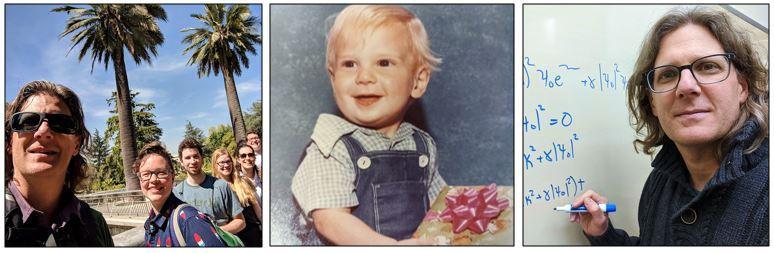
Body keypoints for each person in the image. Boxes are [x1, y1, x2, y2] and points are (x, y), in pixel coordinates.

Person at [571, 7, 768, 245]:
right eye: (667, 74)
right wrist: (604, 235)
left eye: (707, 67)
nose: (686, 86)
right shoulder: (659, 183)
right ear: (652, 102)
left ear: (742, 88)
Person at [291, 5, 446, 245]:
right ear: (333, 79)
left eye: (383, 62)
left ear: (418, 80)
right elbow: (330, 220)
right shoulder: (331, 148)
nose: (364, 76)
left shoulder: (423, 145)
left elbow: (441, 207)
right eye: (350, 64)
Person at [5, 80, 113, 246]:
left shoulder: (95, 224)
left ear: (76, 144)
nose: (43, 132)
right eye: (27, 121)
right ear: (9, 142)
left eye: (61, 123)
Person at [136, 141, 224, 247]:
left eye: (161, 173)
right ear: (140, 179)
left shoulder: (190, 221)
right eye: (146, 174)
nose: (154, 180)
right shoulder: (151, 223)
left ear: (172, 176)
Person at [173, 138, 245, 235]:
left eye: (196, 156)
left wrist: (213, 233)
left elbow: (240, 222)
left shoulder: (221, 186)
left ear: (202, 158)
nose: (193, 161)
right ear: (181, 162)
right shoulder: (177, 193)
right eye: (187, 158)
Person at [211, 148, 263, 246]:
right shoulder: (213, 188)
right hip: (234, 240)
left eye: (228, 161)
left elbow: (257, 210)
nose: (226, 165)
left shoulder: (244, 181)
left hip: (254, 236)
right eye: (221, 163)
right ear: (215, 165)